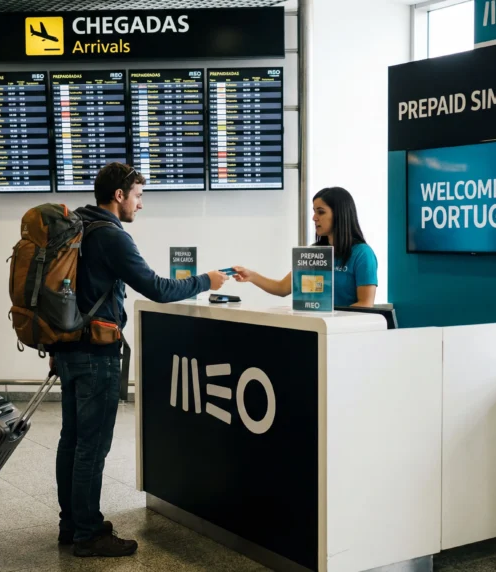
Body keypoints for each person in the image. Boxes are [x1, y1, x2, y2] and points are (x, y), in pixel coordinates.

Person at [47, 162, 228, 557]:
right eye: (138, 196)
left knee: (72, 440)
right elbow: (158, 288)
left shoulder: (78, 225)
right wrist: (206, 281)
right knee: (91, 447)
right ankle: (88, 534)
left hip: (67, 347)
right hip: (97, 351)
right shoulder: (112, 236)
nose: (140, 205)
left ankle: (72, 523)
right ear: (119, 195)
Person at [232, 187, 378, 308]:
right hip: (315, 328)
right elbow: (282, 288)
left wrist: (334, 317)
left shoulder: (362, 254)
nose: (314, 217)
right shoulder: (314, 252)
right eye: (314, 211)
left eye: (320, 212)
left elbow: (365, 304)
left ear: (340, 214)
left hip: (344, 332)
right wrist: (251, 276)